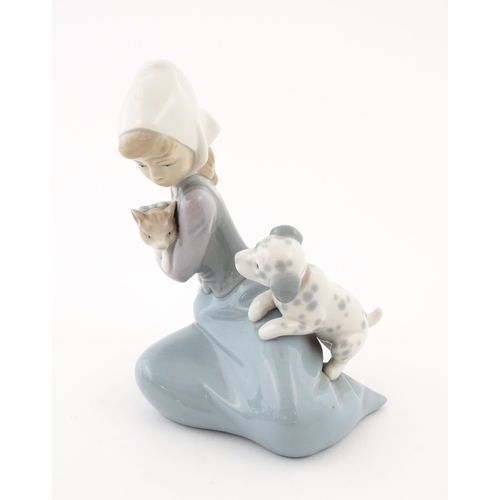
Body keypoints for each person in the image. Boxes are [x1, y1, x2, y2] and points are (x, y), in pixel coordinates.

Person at [118, 61, 386, 457]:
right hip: (217, 304)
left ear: (193, 147)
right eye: (142, 165)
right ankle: (242, 399)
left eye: (165, 162)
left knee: (293, 425)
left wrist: (159, 244)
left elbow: (177, 270)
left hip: (243, 298)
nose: (155, 175)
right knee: (151, 371)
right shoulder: (183, 190)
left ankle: (322, 401)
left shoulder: (195, 202)